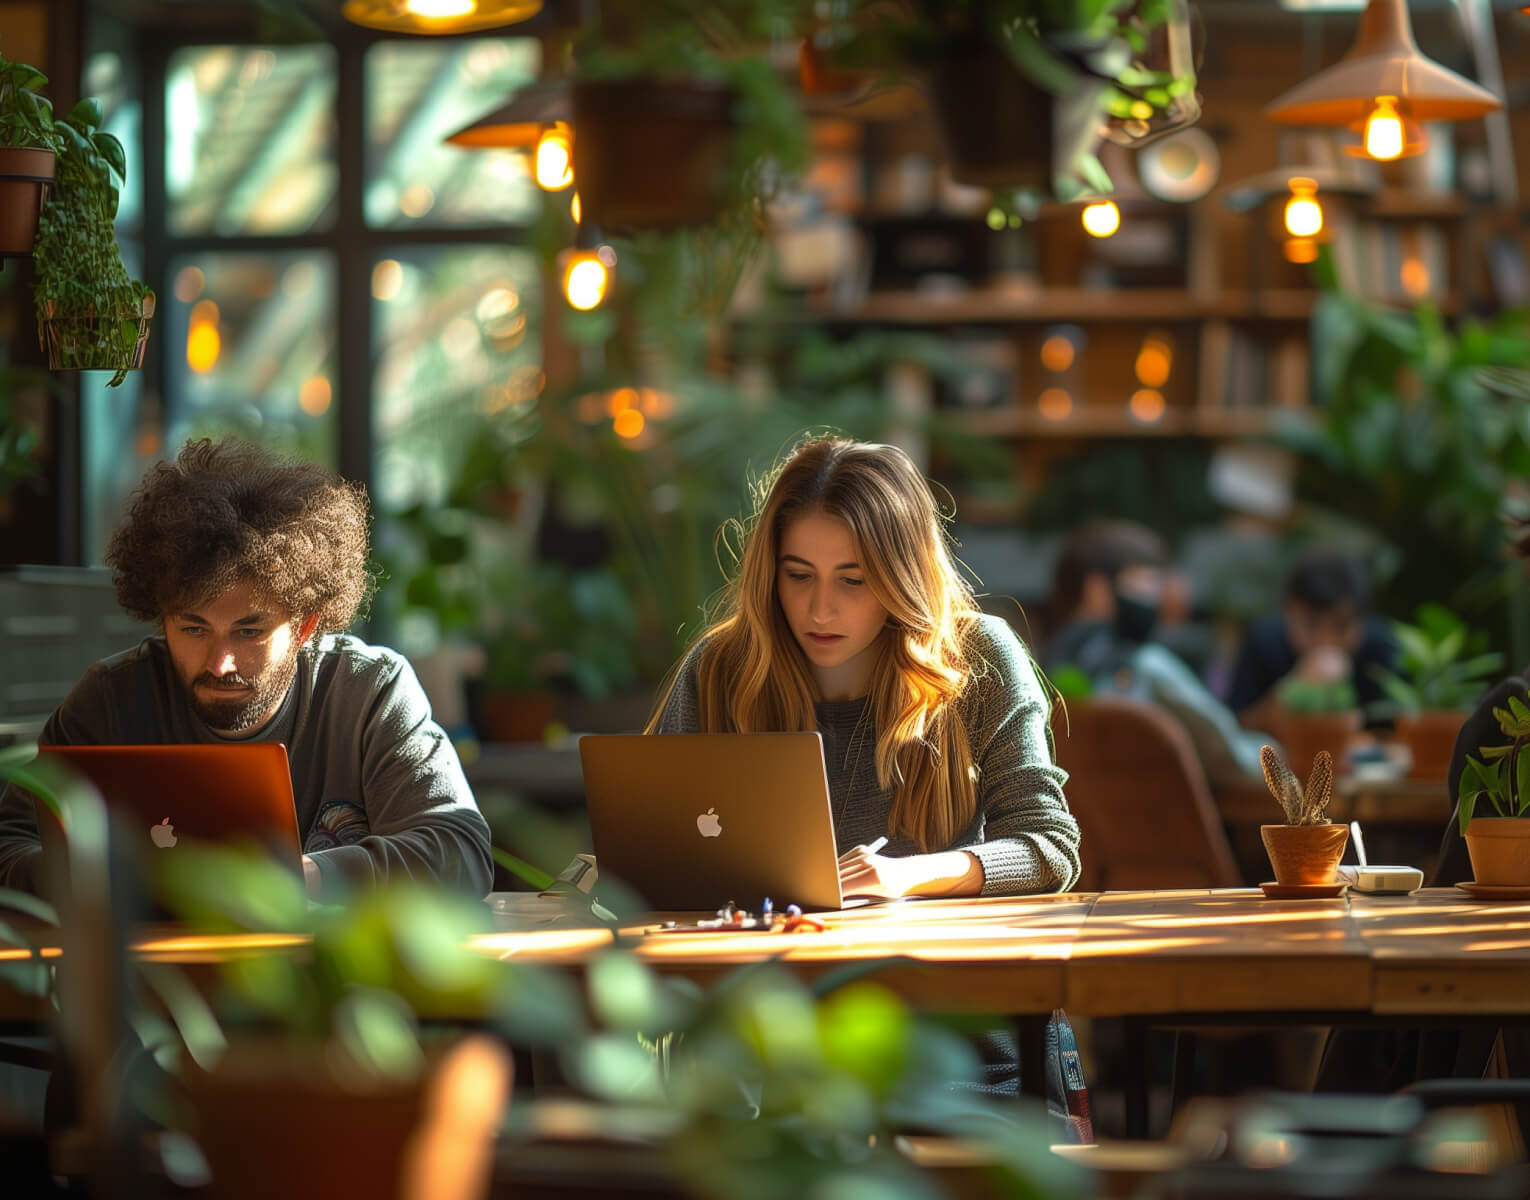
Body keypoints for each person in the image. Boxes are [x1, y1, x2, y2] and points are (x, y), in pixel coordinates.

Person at [0, 438, 494, 900]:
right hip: (150, 983)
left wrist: (306, 879)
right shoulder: (109, 699)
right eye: (193, 630)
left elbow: (462, 853)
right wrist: (100, 881)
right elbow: (10, 841)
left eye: (249, 631)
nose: (220, 663)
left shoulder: (367, 692)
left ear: (305, 625)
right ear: (163, 619)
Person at [648, 436, 1080, 901]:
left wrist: (904, 876)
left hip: (925, 964)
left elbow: (1049, 850)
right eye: (798, 575)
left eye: (853, 580)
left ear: (903, 579)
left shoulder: (979, 656)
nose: (820, 610)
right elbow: (644, 846)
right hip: (752, 964)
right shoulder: (720, 667)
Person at [1042, 519, 1270, 791]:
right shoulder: (1148, 666)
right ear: (1097, 589)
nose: (1158, 597)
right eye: (1146, 582)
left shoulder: (1037, 672)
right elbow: (1235, 758)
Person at [1225, 546, 1398, 729]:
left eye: (1341, 626)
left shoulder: (1382, 647)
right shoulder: (1264, 640)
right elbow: (1237, 727)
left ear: (1362, 620)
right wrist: (1290, 690)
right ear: (1288, 612)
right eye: (1311, 624)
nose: (1325, 639)